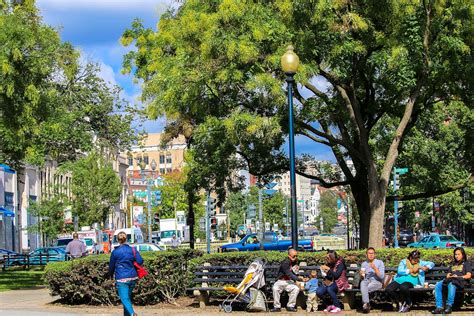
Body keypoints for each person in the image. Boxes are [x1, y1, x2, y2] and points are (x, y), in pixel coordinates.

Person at [108, 231, 143, 316]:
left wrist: (110, 275)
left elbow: (111, 266)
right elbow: (140, 261)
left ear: (118, 240)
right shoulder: (133, 250)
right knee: (127, 299)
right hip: (133, 277)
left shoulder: (115, 252)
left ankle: (132, 313)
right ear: (126, 238)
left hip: (121, 278)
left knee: (124, 298)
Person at [432, 247, 472, 314]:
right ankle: (439, 307)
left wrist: (458, 277)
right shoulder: (453, 265)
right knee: (438, 285)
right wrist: (451, 276)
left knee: (451, 284)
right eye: (455, 254)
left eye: (458, 254)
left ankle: (449, 306)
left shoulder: (466, 264)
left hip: (461, 281)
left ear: (463, 255)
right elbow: (448, 275)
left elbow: (468, 275)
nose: (456, 256)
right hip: (451, 280)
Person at [271, 248, 308, 312]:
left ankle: (290, 306)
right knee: (275, 288)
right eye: (294, 256)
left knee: (296, 289)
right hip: (280, 281)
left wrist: (299, 277)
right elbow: (289, 274)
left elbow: (294, 273)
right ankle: (277, 307)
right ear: (289, 256)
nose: (295, 257)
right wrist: (299, 279)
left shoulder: (294, 262)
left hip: (288, 281)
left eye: (296, 256)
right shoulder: (285, 262)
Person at [360, 247, 385, 313]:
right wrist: (361, 275)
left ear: (375, 255)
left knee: (364, 289)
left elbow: (382, 277)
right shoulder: (364, 264)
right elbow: (362, 278)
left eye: (372, 253)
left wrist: (375, 268)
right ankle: (367, 304)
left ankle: (365, 305)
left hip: (377, 281)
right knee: (362, 283)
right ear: (366, 255)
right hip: (367, 280)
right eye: (369, 253)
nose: (371, 255)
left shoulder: (380, 262)